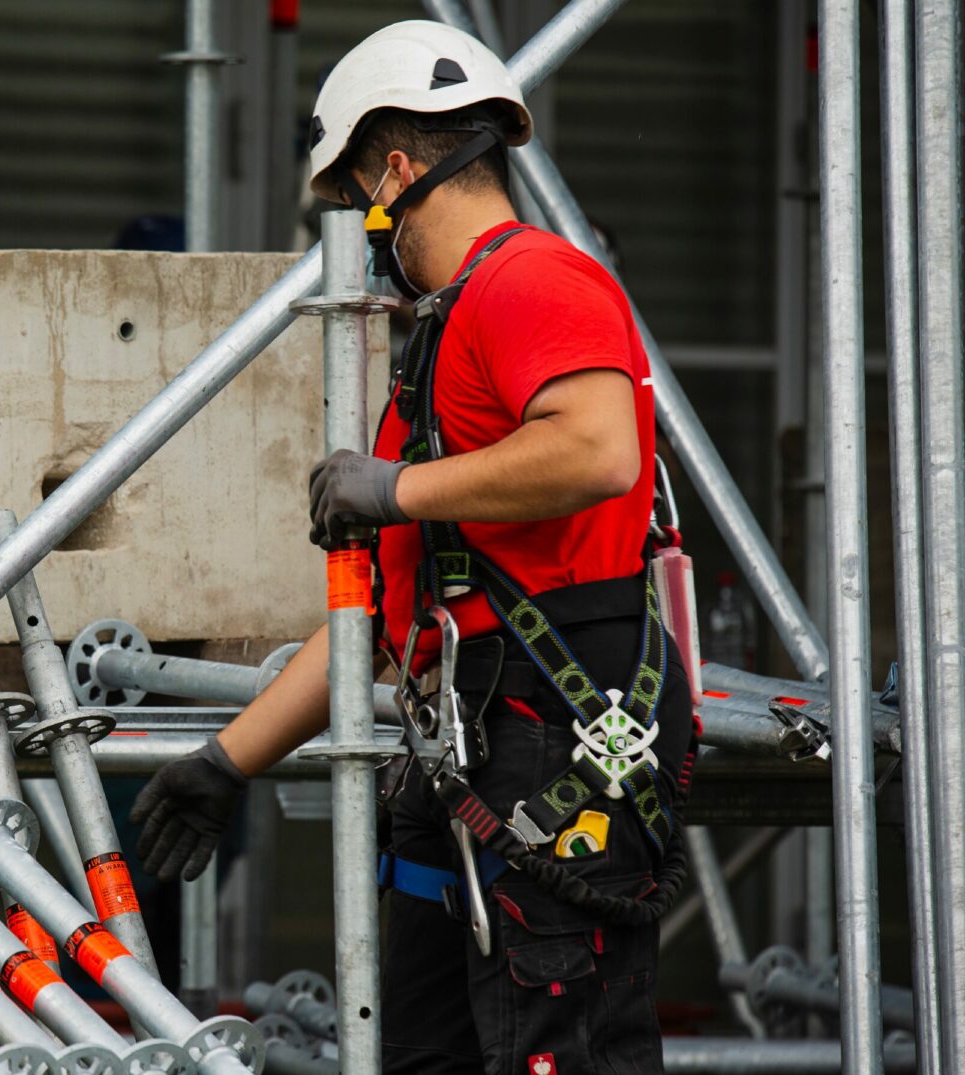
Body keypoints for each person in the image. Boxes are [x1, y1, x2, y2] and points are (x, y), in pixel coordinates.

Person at [128, 21, 696, 1075]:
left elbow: (600, 450)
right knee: (430, 1050)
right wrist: (227, 760)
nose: (355, 227)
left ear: (396, 169)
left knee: (552, 1045)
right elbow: (392, 625)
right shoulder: (446, 338)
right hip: (476, 728)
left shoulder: (533, 281)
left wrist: (396, 487)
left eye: (351, 198)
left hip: (550, 723)